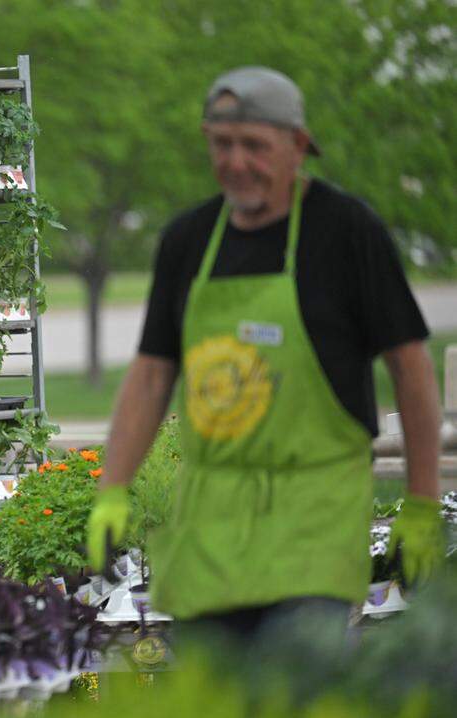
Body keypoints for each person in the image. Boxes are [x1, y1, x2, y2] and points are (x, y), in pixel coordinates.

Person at [87, 67, 445, 645]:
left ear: (298, 146)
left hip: (313, 514)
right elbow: (153, 374)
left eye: (254, 145)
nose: (236, 161)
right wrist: (113, 487)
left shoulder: (346, 232)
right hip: (213, 522)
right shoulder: (189, 240)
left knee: (292, 684)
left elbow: (411, 367)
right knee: (213, 705)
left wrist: (422, 499)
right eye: (221, 144)